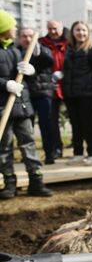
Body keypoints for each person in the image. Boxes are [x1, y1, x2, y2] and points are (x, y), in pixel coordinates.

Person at [0, 10, 52, 198]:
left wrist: (31, 72)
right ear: (3, 29)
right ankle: (9, 184)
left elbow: (46, 61)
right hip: (2, 108)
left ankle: (36, 181)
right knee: (4, 147)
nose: (15, 29)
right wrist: (5, 84)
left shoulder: (17, 50)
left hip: (22, 106)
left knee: (28, 143)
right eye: (11, 26)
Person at [63, 21, 92, 166]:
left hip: (88, 95)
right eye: (77, 30)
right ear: (72, 32)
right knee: (75, 124)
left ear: (88, 33)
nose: (81, 33)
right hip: (71, 94)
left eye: (83, 30)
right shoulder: (68, 50)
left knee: (89, 125)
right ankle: (78, 153)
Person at [18, 27, 56, 164]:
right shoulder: (16, 51)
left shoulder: (42, 49)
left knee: (46, 124)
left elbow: (49, 60)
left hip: (43, 93)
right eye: (24, 36)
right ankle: (29, 156)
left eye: (30, 36)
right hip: (26, 96)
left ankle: (50, 154)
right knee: (27, 128)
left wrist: (37, 51)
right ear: (19, 38)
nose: (27, 39)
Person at [39, 20, 68, 160]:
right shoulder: (41, 43)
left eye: (55, 28)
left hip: (69, 85)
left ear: (61, 29)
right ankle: (56, 149)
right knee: (52, 120)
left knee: (77, 119)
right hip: (49, 87)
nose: (53, 31)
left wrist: (63, 72)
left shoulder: (69, 43)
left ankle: (79, 149)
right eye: (50, 28)